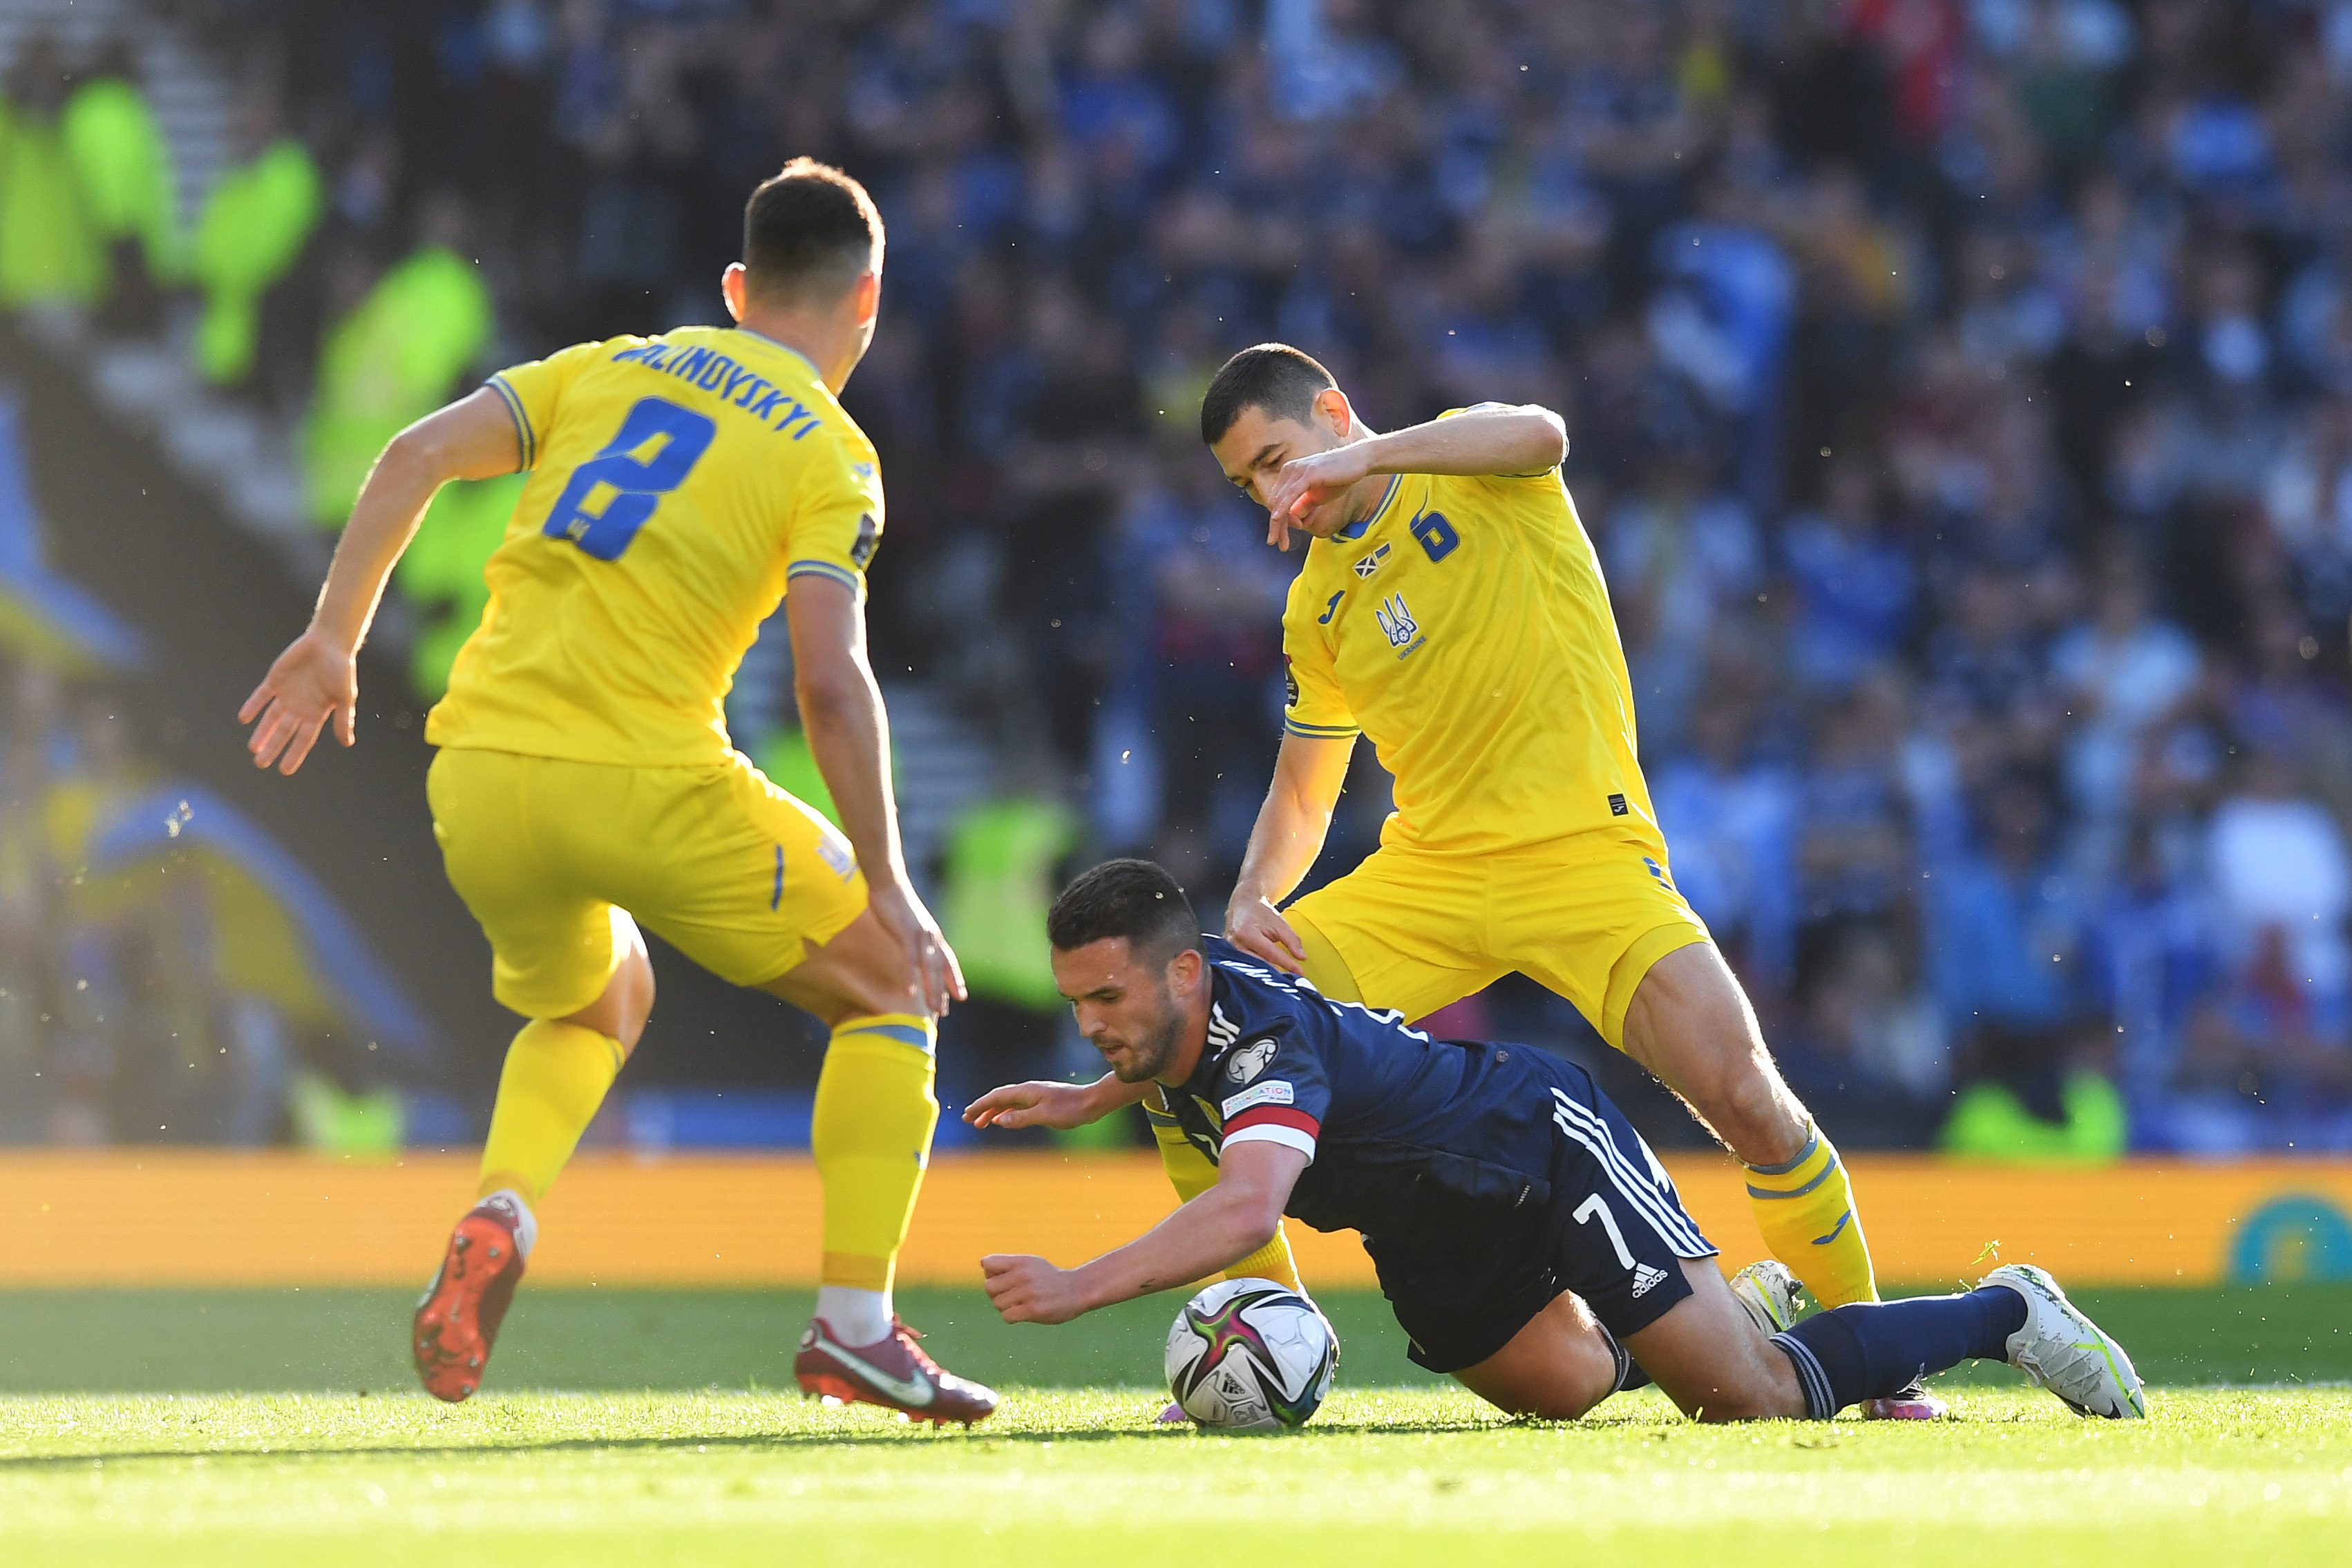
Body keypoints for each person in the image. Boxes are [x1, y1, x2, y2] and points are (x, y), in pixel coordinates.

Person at [1039, 343, 1936, 1416]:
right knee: (1203, 1009)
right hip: (1433, 875)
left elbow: (1545, 432)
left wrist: (1373, 454)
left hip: (1582, 857)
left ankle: (1883, 1367)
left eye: (1279, 460)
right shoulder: (1317, 607)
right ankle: (1264, 1337)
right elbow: (1301, 791)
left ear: (1336, 412)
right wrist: (1250, 897)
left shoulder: (1471, 463)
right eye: (1249, 486)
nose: (1277, 497)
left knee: (1750, 1099)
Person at [237, 158, 996, 1424]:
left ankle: (504, 1204)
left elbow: (417, 452)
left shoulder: (607, 364)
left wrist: (333, 639)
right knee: (888, 985)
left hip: (476, 771)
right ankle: (855, 1329)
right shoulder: (834, 454)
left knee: (603, 998)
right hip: (643, 776)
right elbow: (831, 681)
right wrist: (892, 882)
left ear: (738, 287)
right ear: (868, 301)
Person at [968, 860, 2147, 1425]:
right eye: (1078, 1005)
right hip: (1430, 1228)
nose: (1091, 1024)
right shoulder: (1174, 1016)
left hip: (1532, 1143)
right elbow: (1171, 1058)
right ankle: (1731, 1306)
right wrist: (1088, 1094)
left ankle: (2007, 1310)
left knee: (1743, 1399)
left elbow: (1244, 1214)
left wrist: (1082, 1287)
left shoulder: (1257, 1032)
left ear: (1180, 971)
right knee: (1566, 1389)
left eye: (1106, 1000)